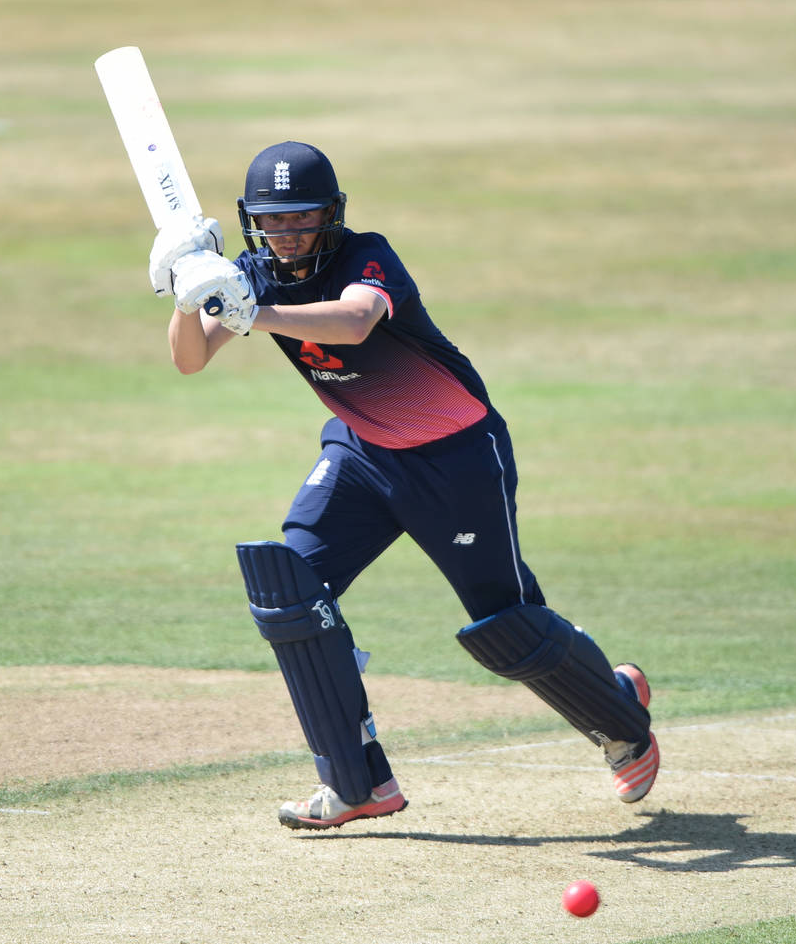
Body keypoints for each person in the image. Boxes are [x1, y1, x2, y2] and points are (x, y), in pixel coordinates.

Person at [149, 141, 658, 830]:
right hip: (361, 454)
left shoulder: (365, 255)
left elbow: (355, 321)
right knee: (290, 588)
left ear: (332, 213)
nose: (288, 234)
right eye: (274, 222)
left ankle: (619, 711)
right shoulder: (250, 274)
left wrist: (250, 311)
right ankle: (357, 782)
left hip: (455, 455)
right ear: (253, 223)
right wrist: (188, 288)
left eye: (303, 218)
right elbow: (189, 359)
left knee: (506, 622)